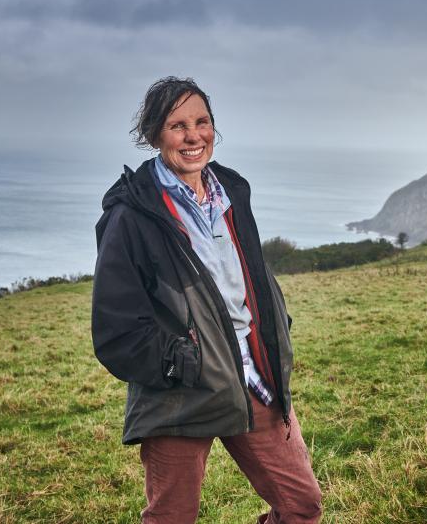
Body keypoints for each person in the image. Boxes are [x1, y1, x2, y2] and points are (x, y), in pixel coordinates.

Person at [91, 77, 322, 523]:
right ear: (155, 135)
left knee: (301, 506)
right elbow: (116, 329)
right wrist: (182, 364)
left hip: (252, 378)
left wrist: (276, 323)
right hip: (179, 394)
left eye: (202, 121)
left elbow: (249, 277)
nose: (193, 135)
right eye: (177, 126)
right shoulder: (132, 216)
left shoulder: (232, 192)